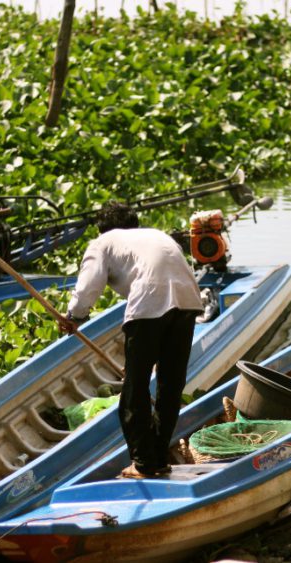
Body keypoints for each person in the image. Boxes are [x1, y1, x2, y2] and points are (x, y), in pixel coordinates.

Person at [58, 201, 203, 479]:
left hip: (150, 301)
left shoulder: (102, 242)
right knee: (170, 386)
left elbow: (88, 287)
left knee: (134, 389)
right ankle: (158, 459)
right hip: (188, 300)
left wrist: (74, 316)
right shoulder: (154, 235)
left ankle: (143, 463)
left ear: (102, 228)